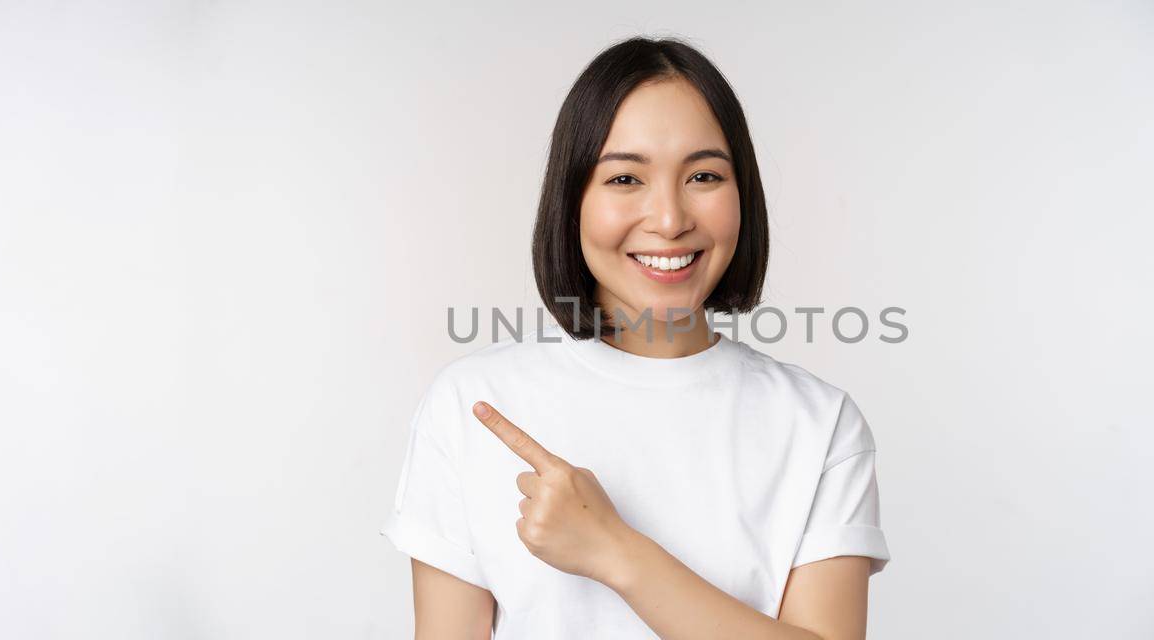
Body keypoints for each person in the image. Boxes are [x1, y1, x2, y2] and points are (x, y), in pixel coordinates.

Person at [381, 35, 890, 639]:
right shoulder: (477, 404)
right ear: (572, 201)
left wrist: (615, 552)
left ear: (742, 197)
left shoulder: (819, 424)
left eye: (703, 175)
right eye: (625, 179)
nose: (671, 220)